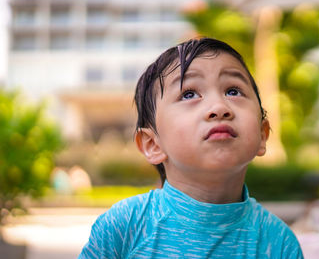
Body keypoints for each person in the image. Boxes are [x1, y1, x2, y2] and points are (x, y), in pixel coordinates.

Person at [78, 37, 304, 258]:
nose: (218, 107)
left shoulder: (279, 243)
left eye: (233, 91)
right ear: (153, 144)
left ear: (262, 134)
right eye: (189, 94)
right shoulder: (125, 227)